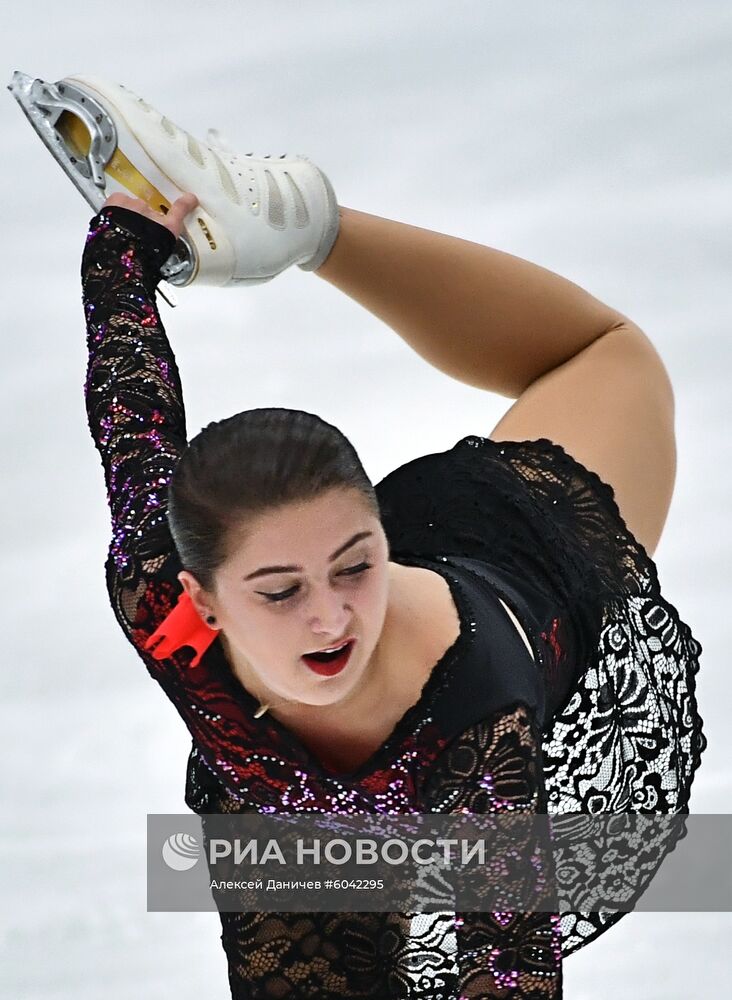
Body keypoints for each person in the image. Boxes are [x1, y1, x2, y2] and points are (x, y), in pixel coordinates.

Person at [76, 82, 705, 1000]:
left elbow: (508, 966)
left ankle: (303, 223)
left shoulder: (482, 718)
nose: (333, 618)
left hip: (517, 547)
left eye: (355, 566)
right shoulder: (159, 595)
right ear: (201, 602)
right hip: (287, 817)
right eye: (281, 592)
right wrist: (123, 250)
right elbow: (131, 419)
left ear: (378, 532)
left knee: (607, 355)